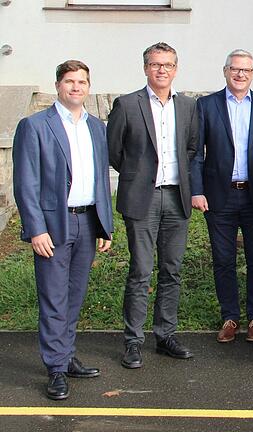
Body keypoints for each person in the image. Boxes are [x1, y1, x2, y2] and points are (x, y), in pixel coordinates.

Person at [14, 60, 113, 400]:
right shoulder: (35, 126)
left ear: (88, 87)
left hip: (87, 221)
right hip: (53, 225)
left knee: (74, 295)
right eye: (69, 81)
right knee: (54, 298)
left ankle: (66, 355)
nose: (75, 87)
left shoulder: (97, 127)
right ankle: (55, 368)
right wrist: (35, 229)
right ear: (58, 85)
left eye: (82, 82)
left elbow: (101, 179)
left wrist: (104, 225)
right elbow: (26, 182)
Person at [108, 42, 198, 369]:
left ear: (176, 69)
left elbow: (191, 148)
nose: (162, 70)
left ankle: (165, 335)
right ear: (146, 68)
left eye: (168, 65)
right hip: (142, 198)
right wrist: (138, 175)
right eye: (156, 64)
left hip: (176, 197)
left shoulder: (188, 106)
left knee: (172, 269)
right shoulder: (127, 104)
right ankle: (133, 341)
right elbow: (115, 152)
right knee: (141, 270)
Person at [191, 49, 253, 343]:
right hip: (219, 196)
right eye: (235, 69)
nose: (240, 74)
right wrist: (197, 190)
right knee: (223, 259)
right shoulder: (206, 105)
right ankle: (229, 317)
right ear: (225, 70)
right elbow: (196, 154)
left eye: (247, 70)